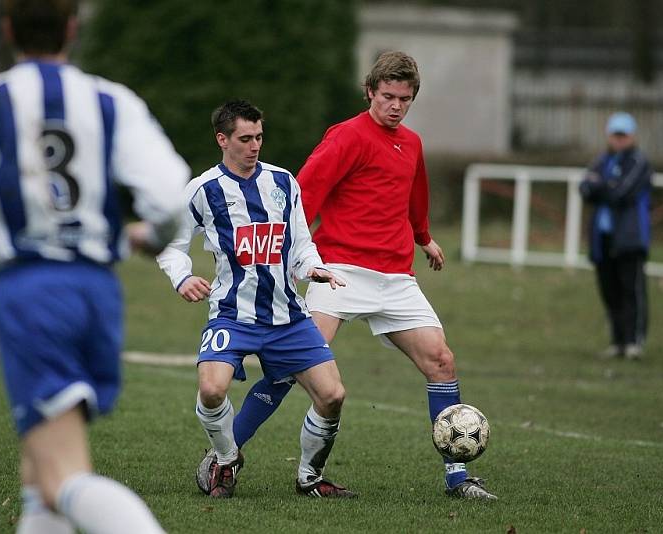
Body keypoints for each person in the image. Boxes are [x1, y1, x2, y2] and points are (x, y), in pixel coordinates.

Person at [0, 1, 190, 532]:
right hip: (98, 289)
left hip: (31, 288)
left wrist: (17, 209)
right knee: (38, 478)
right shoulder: (111, 100)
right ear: (73, 27)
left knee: (60, 476)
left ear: (7, 29)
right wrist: (144, 235)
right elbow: (167, 197)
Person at [207, 51, 497, 500]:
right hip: (339, 270)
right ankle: (226, 456)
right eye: (387, 96)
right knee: (289, 366)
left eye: (404, 98)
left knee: (442, 361)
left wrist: (423, 237)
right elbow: (302, 196)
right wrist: (290, 255)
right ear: (370, 92)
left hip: (396, 277)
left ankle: (458, 475)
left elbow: (413, 195)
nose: (396, 106)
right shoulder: (346, 136)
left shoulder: (412, 143)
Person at [156, 100, 356, 499]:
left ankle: (309, 479)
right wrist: (182, 278)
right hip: (232, 315)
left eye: (259, 137)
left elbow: (301, 244)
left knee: (332, 395)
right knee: (212, 390)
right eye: (245, 139)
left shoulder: (283, 182)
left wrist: (312, 268)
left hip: (288, 317)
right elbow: (170, 244)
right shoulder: (202, 190)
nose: (254, 146)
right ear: (222, 139)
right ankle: (226, 459)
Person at [580, 112, 651, 360]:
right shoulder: (601, 160)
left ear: (632, 136)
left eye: (623, 135)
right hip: (603, 239)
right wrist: (606, 185)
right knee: (610, 291)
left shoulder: (639, 161)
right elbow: (585, 188)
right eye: (615, 134)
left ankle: (634, 342)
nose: (618, 140)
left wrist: (602, 185)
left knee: (631, 290)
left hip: (629, 238)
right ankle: (618, 341)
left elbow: (622, 192)